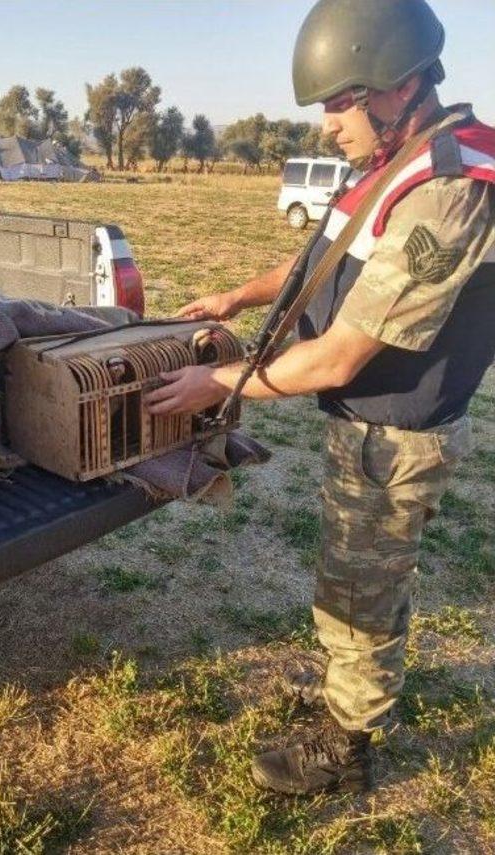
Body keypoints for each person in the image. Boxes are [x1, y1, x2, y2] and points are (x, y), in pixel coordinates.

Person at [145, 0, 495, 795]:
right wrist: (236, 297)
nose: (329, 124)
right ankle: (347, 690)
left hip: (395, 438)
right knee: (349, 576)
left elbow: (339, 357)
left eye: (341, 101)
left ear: (397, 85)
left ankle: (350, 745)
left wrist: (222, 383)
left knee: (364, 592)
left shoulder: (448, 184)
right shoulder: (392, 164)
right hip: (363, 430)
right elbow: (321, 263)